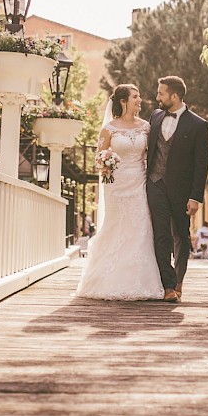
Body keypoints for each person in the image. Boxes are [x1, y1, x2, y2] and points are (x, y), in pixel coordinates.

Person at [75, 84, 164, 300]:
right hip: (116, 186)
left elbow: (153, 156)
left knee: (140, 227)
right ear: (124, 101)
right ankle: (109, 279)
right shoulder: (109, 129)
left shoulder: (146, 127)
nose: (140, 100)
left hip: (139, 183)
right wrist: (106, 162)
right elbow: (99, 157)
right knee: (117, 227)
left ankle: (141, 281)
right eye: (135, 96)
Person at [146, 75, 208, 302]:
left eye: (161, 93)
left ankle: (179, 278)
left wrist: (195, 196)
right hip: (154, 184)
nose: (157, 97)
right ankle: (168, 285)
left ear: (174, 96)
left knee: (181, 236)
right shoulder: (154, 116)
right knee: (160, 234)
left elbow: (201, 164)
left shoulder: (198, 125)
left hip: (182, 191)